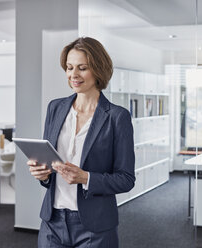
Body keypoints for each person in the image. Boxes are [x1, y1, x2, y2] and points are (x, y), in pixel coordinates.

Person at [27, 37, 135, 247]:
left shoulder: (117, 117)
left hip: (95, 227)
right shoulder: (55, 108)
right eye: (69, 67)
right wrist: (41, 173)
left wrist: (86, 178)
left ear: (98, 70)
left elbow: (126, 179)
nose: (73, 75)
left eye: (82, 68)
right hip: (53, 222)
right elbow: (48, 161)